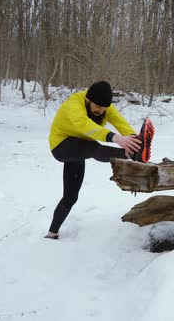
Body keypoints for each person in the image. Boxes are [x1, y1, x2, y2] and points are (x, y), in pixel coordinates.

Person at [45, 81, 154, 239]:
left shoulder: (105, 108)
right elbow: (84, 125)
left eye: (104, 109)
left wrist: (134, 140)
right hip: (61, 146)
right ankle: (131, 155)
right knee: (94, 148)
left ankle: (51, 234)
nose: (101, 111)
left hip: (78, 149)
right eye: (97, 107)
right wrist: (115, 138)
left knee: (71, 196)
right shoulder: (73, 104)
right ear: (88, 100)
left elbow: (120, 123)